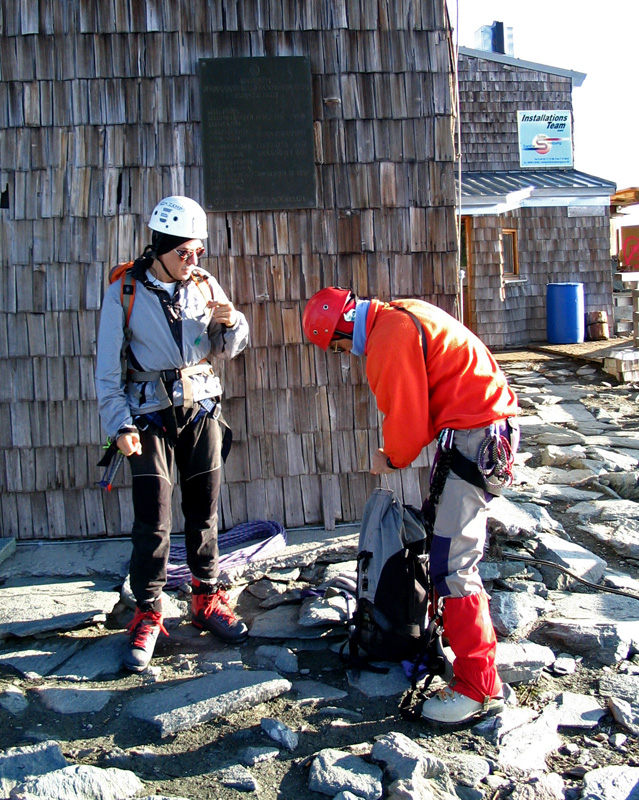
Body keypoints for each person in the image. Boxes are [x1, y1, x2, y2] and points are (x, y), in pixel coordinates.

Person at [302, 287, 520, 724]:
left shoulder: (388, 336)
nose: (346, 354)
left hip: (474, 438)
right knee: (445, 555)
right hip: (480, 433)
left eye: (339, 345)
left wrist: (391, 457)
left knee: (453, 566)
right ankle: (465, 666)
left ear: (345, 325)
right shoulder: (403, 313)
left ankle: (478, 688)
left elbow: (407, 418)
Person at [95, 195, 250, 673]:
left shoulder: (203, 284)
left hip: (201, 409)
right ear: (161, 247)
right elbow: (107, 370)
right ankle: (147, 612)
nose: (194, 260)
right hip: (148, 416)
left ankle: (206, 598)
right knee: (153, 519)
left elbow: (225, 347)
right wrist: (118, 424)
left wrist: (235, 323)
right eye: (185, 252)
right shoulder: (125, 291)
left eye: (198, 251)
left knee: (204, 510)